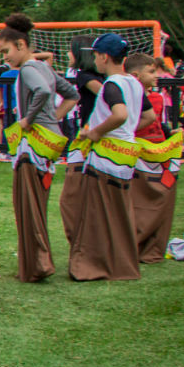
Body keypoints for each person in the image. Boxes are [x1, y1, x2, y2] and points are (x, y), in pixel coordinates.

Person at [0, 15, 76, 282]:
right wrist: (53, 119)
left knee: (28, 206)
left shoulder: (30, 69)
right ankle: (37, 261)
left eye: (6, 52)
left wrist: (29, 120)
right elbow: (71, 94)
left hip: (32, 146)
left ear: (21, 44)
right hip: (49, 145)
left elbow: (41, 92)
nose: (5, 58)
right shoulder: (44, 67)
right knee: (38, 205)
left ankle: (37, 264)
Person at [62, 34, 144, 281]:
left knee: (98, 213)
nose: (95, 60)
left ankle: (96, 264)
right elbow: (141, 116)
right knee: (119, 213)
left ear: (104, 57)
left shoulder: (112, 84)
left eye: (96, 55)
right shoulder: (135, 84)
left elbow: (119, 114)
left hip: (106, 157)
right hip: (126, 154)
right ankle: (121, 262)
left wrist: (96, 132)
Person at [128, 53, 181, 265]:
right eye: (151, 72)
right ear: (136, 75)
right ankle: (135, 242)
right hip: (138, 156)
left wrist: (170, 134)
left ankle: (153, 243)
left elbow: (160, 123)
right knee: (138, 200)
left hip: (159, 154)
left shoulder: (158, 98)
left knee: (160, 199)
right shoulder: (130, 98)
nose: (156, 76)